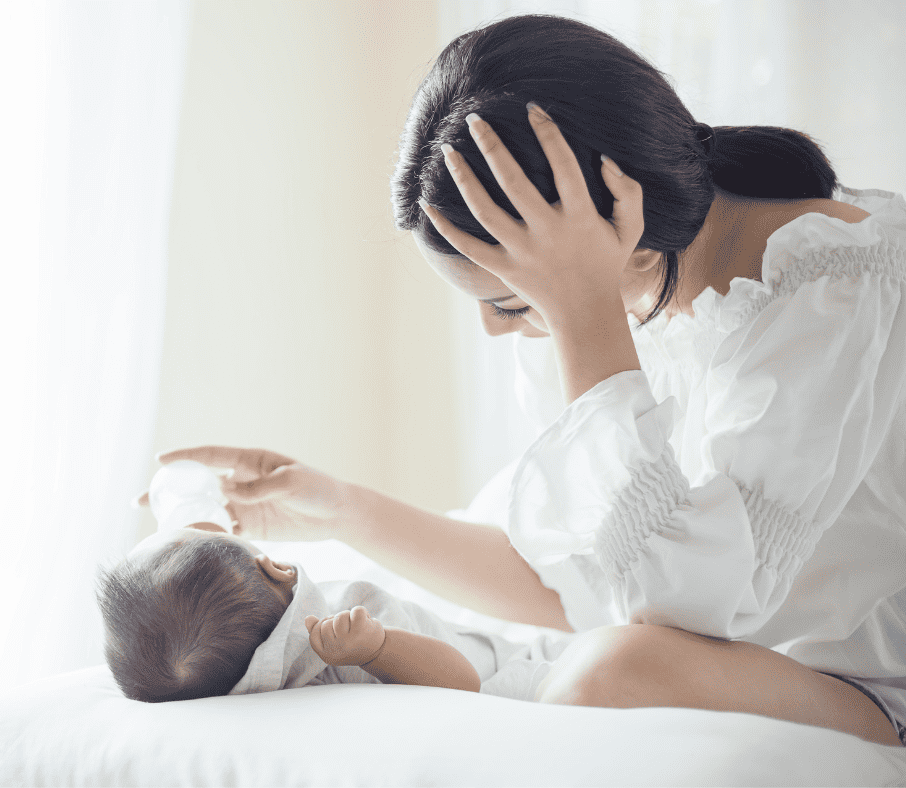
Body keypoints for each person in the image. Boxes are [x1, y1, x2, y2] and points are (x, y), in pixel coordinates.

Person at [137, 14, 906, 747]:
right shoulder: (619, 297)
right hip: (726, 661)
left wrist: (583, 312)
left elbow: (688, 607)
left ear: (623, 234)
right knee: (539, 646)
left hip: (865, 685)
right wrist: (342, 508)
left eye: (511, 302)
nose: (497, 329)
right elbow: (569, 587)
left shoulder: (832, 286)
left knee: (608, 670)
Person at [96, 521, 566, 703]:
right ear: (278, 569)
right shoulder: (351, 631)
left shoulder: (227, 673)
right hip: (513, 671)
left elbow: (174, 594)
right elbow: (464, 685)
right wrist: (379, 648)